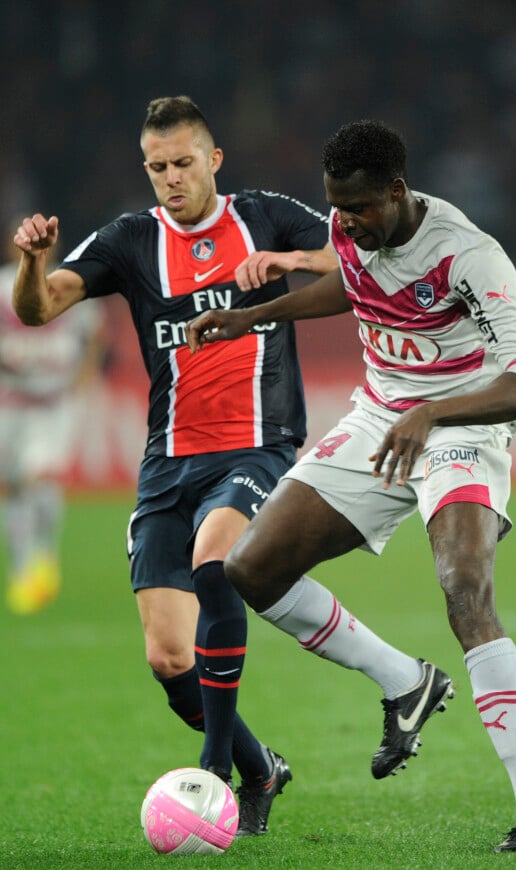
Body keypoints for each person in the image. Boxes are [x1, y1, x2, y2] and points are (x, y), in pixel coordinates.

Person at [185, 120, 516, 853]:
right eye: (338, 209)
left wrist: (432, 412)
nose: (347, 224)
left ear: (397, 191)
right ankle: (404, 682)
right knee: (250, 568)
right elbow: (352, 284)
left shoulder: (470, 255)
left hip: (462, 423)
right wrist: (253, 318)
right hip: (380, 418)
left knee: (464, 588)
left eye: (359, 210)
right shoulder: (355, 226)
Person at [12, 96, 337, 836]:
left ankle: (214, 772)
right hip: (168, 462)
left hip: (259, 443)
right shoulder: (130, 239)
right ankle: (261, 768)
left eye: (183, 163)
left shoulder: (265, 216)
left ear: (214, 159)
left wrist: (290, 259)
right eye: (156, 167)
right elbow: (38, 309)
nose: (170, 178)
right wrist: (32, 265)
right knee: (166, 656)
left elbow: (356, 254)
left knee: (215, 559)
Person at [0, 224, 102, 615]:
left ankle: (42, 559)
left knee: (39, 475)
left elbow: (94, 335)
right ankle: (22, 564)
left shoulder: (67, 283)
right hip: (11, 400)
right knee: (13, 484)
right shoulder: (4, 288)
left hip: (53, 401)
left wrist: (84, 376)